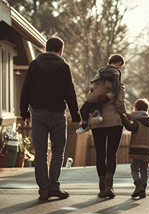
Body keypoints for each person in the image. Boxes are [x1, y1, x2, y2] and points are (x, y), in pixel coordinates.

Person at [20, 37, 81, 200]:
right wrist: (76, 115)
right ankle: (54, 186)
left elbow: (25, 89)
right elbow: (70, 92)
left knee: (40, 153)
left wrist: (24, 112)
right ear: (61, 50)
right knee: (58, 151)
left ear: (46, 49)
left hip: (38, 114)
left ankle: (44, 190)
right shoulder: (63, 67)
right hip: (57, 115)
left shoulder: (34, 65)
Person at [90, 62, 127, 198]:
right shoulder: (119, 84)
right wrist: (125, 113)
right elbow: (119, 104)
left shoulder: (95, 83)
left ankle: (101, 188)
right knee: (111, 154)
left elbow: (90, 100)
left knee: (100, 154)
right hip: (114, 123)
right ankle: (109, 187)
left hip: (97, 123)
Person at [76, 54, 124, 134]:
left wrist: (91, 93)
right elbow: (116, 86)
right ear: (119, 63)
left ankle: (94, 116)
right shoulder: (116, 72)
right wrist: (109, 95)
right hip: (105, 96)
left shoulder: (101, 71)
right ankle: (85, 125)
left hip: (96, 93)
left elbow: (93, 83)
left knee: (87, 107)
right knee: (85, 108)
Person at [121, 98, 149, 198]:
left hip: (137, 150)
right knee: (143, 170)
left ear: (135, 109)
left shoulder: (137, 123)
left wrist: (123, 118)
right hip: (147, 152)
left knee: (134, 169)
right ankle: (143, 189)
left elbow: (130, 127)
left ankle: (138, 185)